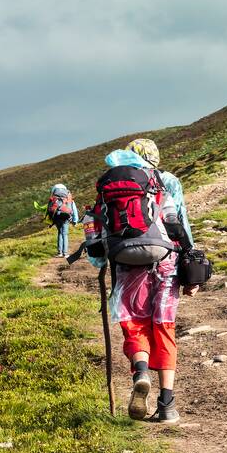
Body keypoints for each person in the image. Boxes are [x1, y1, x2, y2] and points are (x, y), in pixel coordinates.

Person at [88, 138, 197, 423]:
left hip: (126, 263)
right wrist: (190, 260)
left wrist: (100, 261)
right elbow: (178, 222)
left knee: (134, 323)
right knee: (164, 327)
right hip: (165, 262)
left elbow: (95, 232)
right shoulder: (164, 182)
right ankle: (167, 405)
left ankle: (140, 371)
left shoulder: (108, 186)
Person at [46, 183, 79, 257]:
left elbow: (49, 210)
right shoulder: (68, 196)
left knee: (60, 233)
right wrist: (75, 221)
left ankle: (60, 253)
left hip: (56, 217)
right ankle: (65, 253)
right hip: (66, 217)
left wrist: (49, 222)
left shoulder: (53, 197)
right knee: (65, 234)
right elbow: (74, 209)